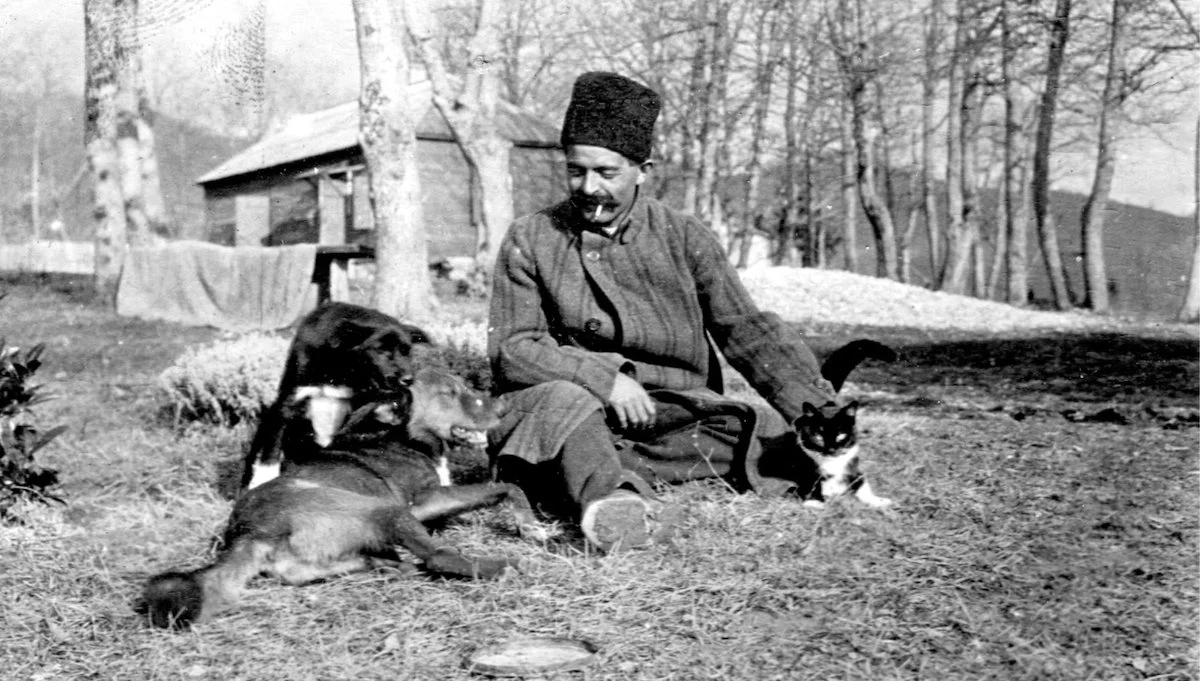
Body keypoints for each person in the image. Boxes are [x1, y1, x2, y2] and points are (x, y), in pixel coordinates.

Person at [486, 71, 838, 551]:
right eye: (576, 171)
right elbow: (513, 349)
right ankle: (611, 501)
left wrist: (820, 414)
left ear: (643, 170)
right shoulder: (531, 237)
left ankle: (594, 471)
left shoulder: (684, 236)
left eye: (606, 173)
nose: (588, 187)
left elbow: (746, 331)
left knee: (760, 433)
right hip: (573, 411)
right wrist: (605, 380)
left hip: (672, 415)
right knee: (565, 405)